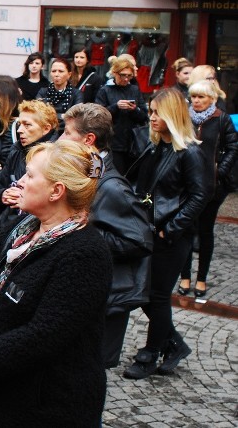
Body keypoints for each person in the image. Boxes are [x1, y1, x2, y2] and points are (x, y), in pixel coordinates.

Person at [0, 140, 112, 426]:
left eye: (30, 175)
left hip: (46, 407)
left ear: (56, 191)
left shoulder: (85, 253)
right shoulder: (21, 230)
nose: (20, 182)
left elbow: (45, 333)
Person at [124, 89, 211, 379]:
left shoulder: (190, 152)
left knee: (156, 296)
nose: (151, 117)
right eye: (150, 111)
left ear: (172, 114)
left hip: (171, 236)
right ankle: (173, 344)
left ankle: (151, 353)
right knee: (146, 295)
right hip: (150, 231)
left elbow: (200, 197)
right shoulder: (155, 146)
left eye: (157, 112)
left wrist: (170, 230)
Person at [61, 103, 153, 368]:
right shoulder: (86, 172)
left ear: (88, 139)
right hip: (86, 291)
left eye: (67, 133)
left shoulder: (112, 187)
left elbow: (139, 240)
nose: (61, 139)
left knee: (89, 371)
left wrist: (84, 233)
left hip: (107, 298)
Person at [178, 81, 238, 302]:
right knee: (186, 229)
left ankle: (201, 278)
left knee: (205, 231)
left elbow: (233, 146)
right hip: (187, 184)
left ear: (211, 98)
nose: (197, 101)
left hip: (213, 185)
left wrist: (219, 171)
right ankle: (185, 276)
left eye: (201, 97)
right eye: (193, 97)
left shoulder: (221, 118)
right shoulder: (185, 118)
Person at [0, 99, 59, 245]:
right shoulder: (17, 151)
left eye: (27, 125)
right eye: (20, 124)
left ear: (46, 129)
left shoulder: (56, 159)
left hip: (36, 237)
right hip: (6, 230)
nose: (20, 130)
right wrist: (3, 195)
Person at [95, 57, 147, 174]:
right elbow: (98, 116)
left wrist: (135, 109)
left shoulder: (134, 89)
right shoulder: (105, 90)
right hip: (112, 142)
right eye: (123, 75)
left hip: (133, 142)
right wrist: (116, 106)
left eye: (129, 75)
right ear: (115, 73)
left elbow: (144, 116)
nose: (126, 79)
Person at [36, 57, 83, 129]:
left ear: (69, 74)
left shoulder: (76, 94)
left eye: (61, 71)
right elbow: (38, 113)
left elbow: (77, 116)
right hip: (45, 130)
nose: (56, 74)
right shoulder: (43, 92)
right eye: (54, 71)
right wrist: (62, 116)